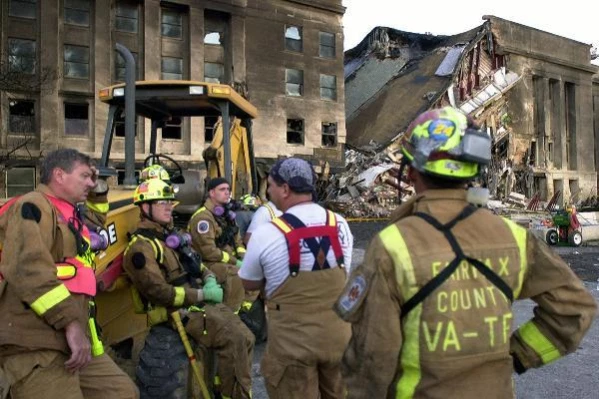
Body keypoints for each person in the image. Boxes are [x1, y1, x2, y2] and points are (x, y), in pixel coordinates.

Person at [333, 106, 597, 398]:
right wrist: (517, 355)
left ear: (411, 171)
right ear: (473, 169)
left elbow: (371, 359)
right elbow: (575, 309)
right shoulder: (513, 237)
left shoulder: (392, 246)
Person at [0, 148, 138, 399]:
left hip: (69, 340)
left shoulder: (68, 213)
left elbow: (96, 220)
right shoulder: (33, 205)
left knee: (121, 392)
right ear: (59, 175)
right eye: (84, 176)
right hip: (37, 341)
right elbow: (28, 269)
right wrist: (71, 324)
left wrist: (99, 189)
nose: (90, 182)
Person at [123, 179, 254, 399]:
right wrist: (202, 294)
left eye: (169, 202)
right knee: (236, 339)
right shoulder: (141, 248)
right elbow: (159, 292)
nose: (168, 206)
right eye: (161, 202)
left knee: (246, 337)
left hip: (197, 305)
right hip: (177, 313)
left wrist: (209, 276)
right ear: (145, 208)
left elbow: (195, 261)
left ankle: (223, 387)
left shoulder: (170, 237)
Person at [239, 157, 354, 399]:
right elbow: (343, 275)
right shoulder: (340, 225)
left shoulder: (267, 232)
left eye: (270, 184)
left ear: (285, 189)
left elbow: (248, 282)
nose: (268, 190)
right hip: (337, 339)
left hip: (293, 346)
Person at [188, 178, 247, 312]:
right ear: (212, 193)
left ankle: (245, 309)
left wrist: (244, 257)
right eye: (222, 189)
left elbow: (237, 240)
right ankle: (229, 314)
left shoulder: (227, 215)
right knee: (236, 274)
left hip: (225, 259)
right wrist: (235, 262)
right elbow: (208, 251)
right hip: (207, 263)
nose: (227, 193)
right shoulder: (203, 218)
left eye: (228, 189)